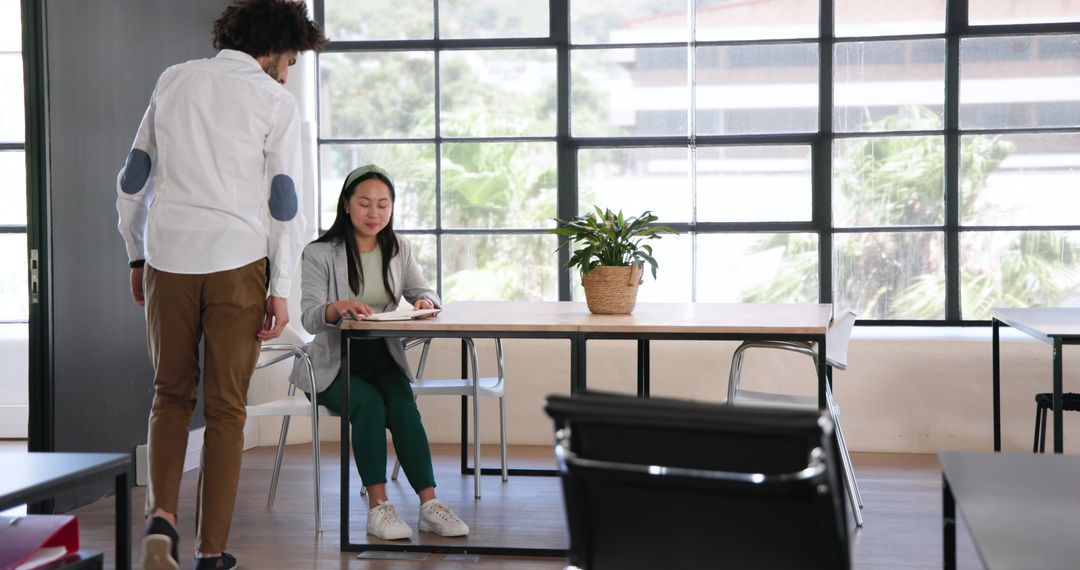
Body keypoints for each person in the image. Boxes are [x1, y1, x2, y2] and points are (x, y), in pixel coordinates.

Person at [115, 2, 326, 569]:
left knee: (170, 394)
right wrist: (280, 288)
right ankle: (211, 552)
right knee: (227, 409)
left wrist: (137, 256)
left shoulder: (174, 79)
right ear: (278, 49)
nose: (290, 71)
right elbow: (285, 205)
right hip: (238, 262)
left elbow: (135, 176)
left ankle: (162, 517)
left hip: (169, 257)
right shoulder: (274, 100)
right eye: (292, 59)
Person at [289, 164, 470, 541]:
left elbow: (427, 291)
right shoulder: (320, 253)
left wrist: (424, 300)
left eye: (383, 205)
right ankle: (379, 508)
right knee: (369, 404)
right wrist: (334, 307)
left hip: (382, 357)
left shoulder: (399, 248)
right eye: (365, 203)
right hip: (331, 364)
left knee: (403, 404)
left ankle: (429, 506)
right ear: (346, 205)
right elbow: (308, 316)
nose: (375, 213)